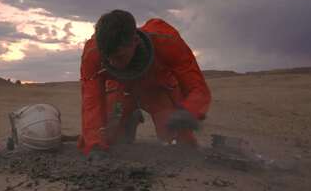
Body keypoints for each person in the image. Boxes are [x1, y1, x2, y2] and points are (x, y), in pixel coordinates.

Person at [78, 9, 211, 161]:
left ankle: (175, 131)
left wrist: (189, 112)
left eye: (119, 57)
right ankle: (129, 119)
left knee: (179, 143)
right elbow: (92, 102)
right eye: (107, 59)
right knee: (106, 140)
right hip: (119, 90)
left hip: (157, 91)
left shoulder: (166, 40)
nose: (113, 64)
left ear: (135, 41)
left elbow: (196, 86)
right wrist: (95, 145)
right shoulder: (92, 53)